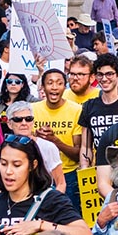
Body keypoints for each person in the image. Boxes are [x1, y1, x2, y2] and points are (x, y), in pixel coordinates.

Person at [31, 69, 83, 208]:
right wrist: (36, 137)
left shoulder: (76, 110)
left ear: (64, 87)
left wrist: (54, 140)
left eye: (59, 83)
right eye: (50, 83)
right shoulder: (32, 110)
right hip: (38, 177)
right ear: (43, 87)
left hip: (68, 175)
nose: (54, 87)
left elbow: (78, 154)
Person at [77, 53, 118, 167]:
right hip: (101, 167)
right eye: (100, 75)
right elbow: (85, 146)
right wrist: (84, 168)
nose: (104, 79)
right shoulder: (89, 106)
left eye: (109, 74)